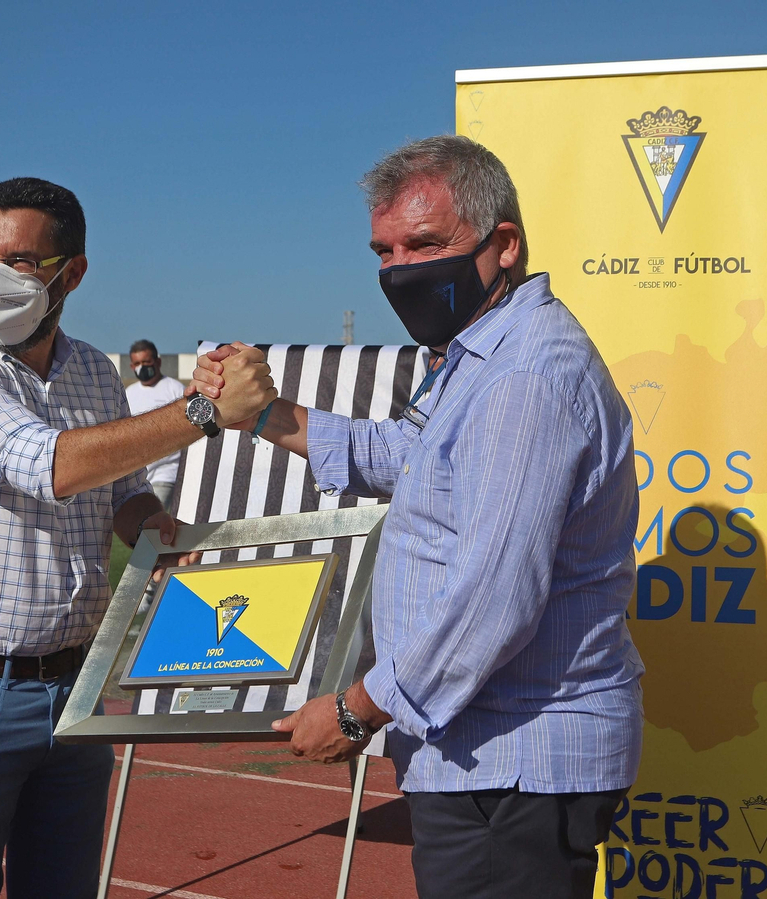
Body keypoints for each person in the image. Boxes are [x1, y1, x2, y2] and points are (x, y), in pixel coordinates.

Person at [193, 136, 645, 899]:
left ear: (503, 244)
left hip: (513, 765)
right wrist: (264, 413)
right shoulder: (476, 355)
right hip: (489, 758)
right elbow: (405, 453)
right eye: (385, 250)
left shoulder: (524, 377)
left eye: (425, 243)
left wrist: (356, 709)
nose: (399, 269)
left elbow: (491, 601)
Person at [0, 177, 275, 899]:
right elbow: (53, 465)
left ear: (74, 272)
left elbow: (116, 490)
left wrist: (152, 526)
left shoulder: (94, 371)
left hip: (73, 690)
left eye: (23, 261)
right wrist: (203, 409)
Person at [122, 339, 187, 510]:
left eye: (146, 362)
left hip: (167, 474)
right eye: (137, 363)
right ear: (131, 367)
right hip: (136, 477)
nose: (141, 367)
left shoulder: (175, 389)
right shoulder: (129, 393)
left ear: (157, 362)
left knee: (153, 523)